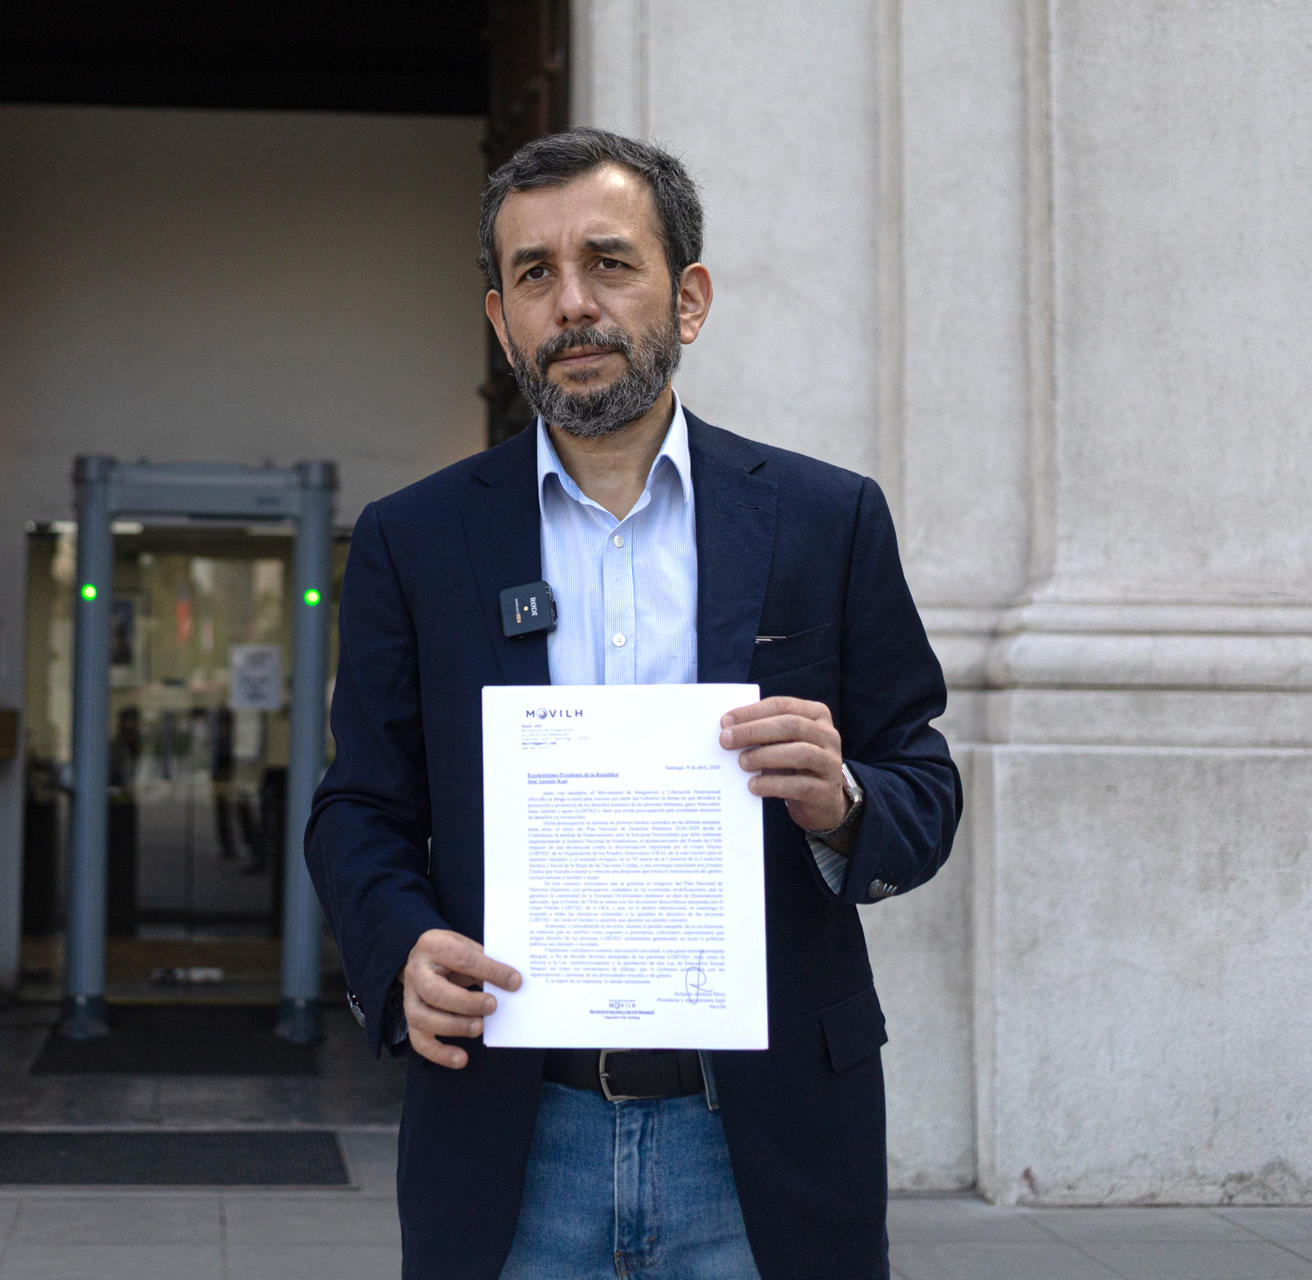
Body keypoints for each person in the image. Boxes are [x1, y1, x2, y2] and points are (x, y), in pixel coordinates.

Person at [305, 129, 960, 1280]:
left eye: (609, 263)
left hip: (762, 1136)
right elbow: (357, 803)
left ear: (688, 296)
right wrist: (399, 945)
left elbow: (924, 775)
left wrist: (845, 800)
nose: (573, 304)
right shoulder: (415, 539)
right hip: (513, 1133)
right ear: (501, 317)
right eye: (535, 274)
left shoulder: (823, 518)